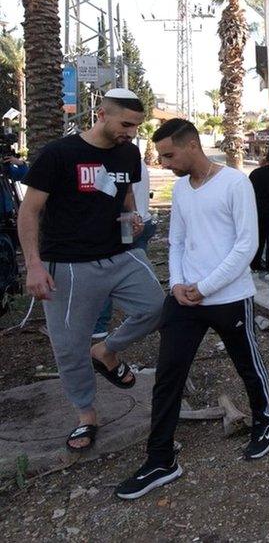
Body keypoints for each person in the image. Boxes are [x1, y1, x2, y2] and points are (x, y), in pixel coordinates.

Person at [116, 119, 269, 500]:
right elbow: (178, 242)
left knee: (247, 365)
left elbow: (246, 246)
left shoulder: (235, 183)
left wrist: (203, 287)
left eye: (169, 155)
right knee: (168, 374)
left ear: (192, 146)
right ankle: (160, 459)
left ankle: (265, 421)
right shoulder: (180, 190)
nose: (165, 163)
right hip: (184, 300)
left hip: (228, 297)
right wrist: (176, 285)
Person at [17, 88, 165, 452]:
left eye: (136, 126)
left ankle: (106, 352)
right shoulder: (58, 154)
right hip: (67, 263)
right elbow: (29, 211)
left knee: (158, 307)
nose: (131, 133)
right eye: (126, 124)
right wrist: (34, 266)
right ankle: (86, 415)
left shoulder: (128, 153)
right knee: (68, 346)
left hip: (120, 254)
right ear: (101, 114)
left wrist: (131, 216)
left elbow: (125, 195)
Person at [92, 160, 155, 339]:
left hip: (126, 223)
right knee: (137, 270)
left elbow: (117, 196)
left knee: (107, 272)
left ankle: (99, 325)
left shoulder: (115, 162)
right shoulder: (136, 160)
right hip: (141, 220)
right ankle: (139, 318)